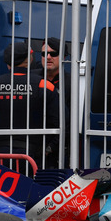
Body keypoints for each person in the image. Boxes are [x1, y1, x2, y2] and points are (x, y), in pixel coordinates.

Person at [0, 42, 59, 171]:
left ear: (7, 63)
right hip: (34, 157)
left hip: (0, 156)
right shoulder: (44, 86)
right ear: (30, 59)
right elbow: (59, 121)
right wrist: (48, 148)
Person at [40, 37, 71, 167]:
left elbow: (70, 121)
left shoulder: (71, 83)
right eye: (43, 54)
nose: (48, 57)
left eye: (53, 54)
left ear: (63, 57)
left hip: (59, 151)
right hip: (32, 148)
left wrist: (51, 147)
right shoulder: (33, 79)